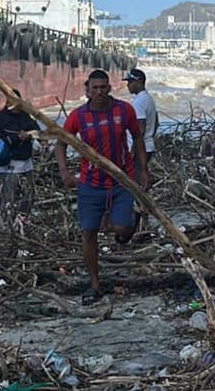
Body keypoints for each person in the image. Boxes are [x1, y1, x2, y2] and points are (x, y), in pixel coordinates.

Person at [55, 69, 149, 304]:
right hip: (90, 183)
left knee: (123, 228)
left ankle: (124, 222)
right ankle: (95, 285)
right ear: (87, 90)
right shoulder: (78, 116)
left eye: (103, 87)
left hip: (121, 180)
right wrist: (65, 171)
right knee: (88, 233)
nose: (99, 92)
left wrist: (143, 169)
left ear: (110, 88)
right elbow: (61, 143)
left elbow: (137, 137)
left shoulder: (123, 110)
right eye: (94, 88)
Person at [0, 89, 41, 216]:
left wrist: (29, 135)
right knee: (9, 197)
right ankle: (7, 225)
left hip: (26, 162)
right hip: (9, 164)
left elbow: (37, 131)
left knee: (29, 194)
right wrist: (16, 138)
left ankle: (24, 220)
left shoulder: (25, 116)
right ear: (7, 102)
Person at [123, 69, 158, 182]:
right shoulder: (148, 99)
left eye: (130, 82)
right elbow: (156, 123)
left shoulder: (139, 102)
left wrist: (133, 151)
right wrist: (149, 138)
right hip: (148, 146)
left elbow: (140, 130)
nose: (128, 85)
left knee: (134, 183)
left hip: (140, 150)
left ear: (139, 82)